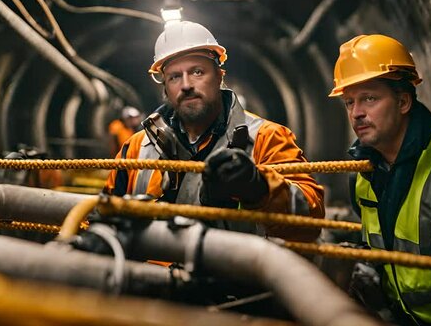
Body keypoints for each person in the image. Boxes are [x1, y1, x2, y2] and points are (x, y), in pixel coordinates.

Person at [329, 34, 431, 324]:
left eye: (369, 98)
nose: (357, 113)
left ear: (404, 101)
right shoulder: (363, 174)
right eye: (349, 102)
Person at [104, 21, 324, 241]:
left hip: (231, 272)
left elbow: (311, 222)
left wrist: (259, 187)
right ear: (165, 88)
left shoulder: (265, 137)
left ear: (220, 76)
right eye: (174, 77)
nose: (186, 84)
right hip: (148, 274)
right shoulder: (137, 147)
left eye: (197, 72)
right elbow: (102, 214)